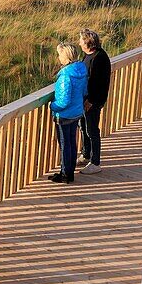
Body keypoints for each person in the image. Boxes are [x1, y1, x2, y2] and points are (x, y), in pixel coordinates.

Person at [49, 43, 88, 184]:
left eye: (60, 54)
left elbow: (63, 101)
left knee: (65, 144)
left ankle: (65, 174)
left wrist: (52, 106)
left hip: (64, 115)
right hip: (77, 112)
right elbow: (84, 92)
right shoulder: (81, 71)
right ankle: (68, 171)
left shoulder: (65, 76)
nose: (58, 57)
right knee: (71, 142)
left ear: (65, 57)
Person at [78, 29, 111, 175]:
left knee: (92, 130)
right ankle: (86, 155)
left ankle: (95, 162)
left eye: (81, 40)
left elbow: (99, 83)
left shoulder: (99, 58)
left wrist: (91, 101)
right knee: (84, 128)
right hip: (85, 100)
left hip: (93, 101)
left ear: (87, 43)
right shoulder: (89, 55)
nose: (79, 42)